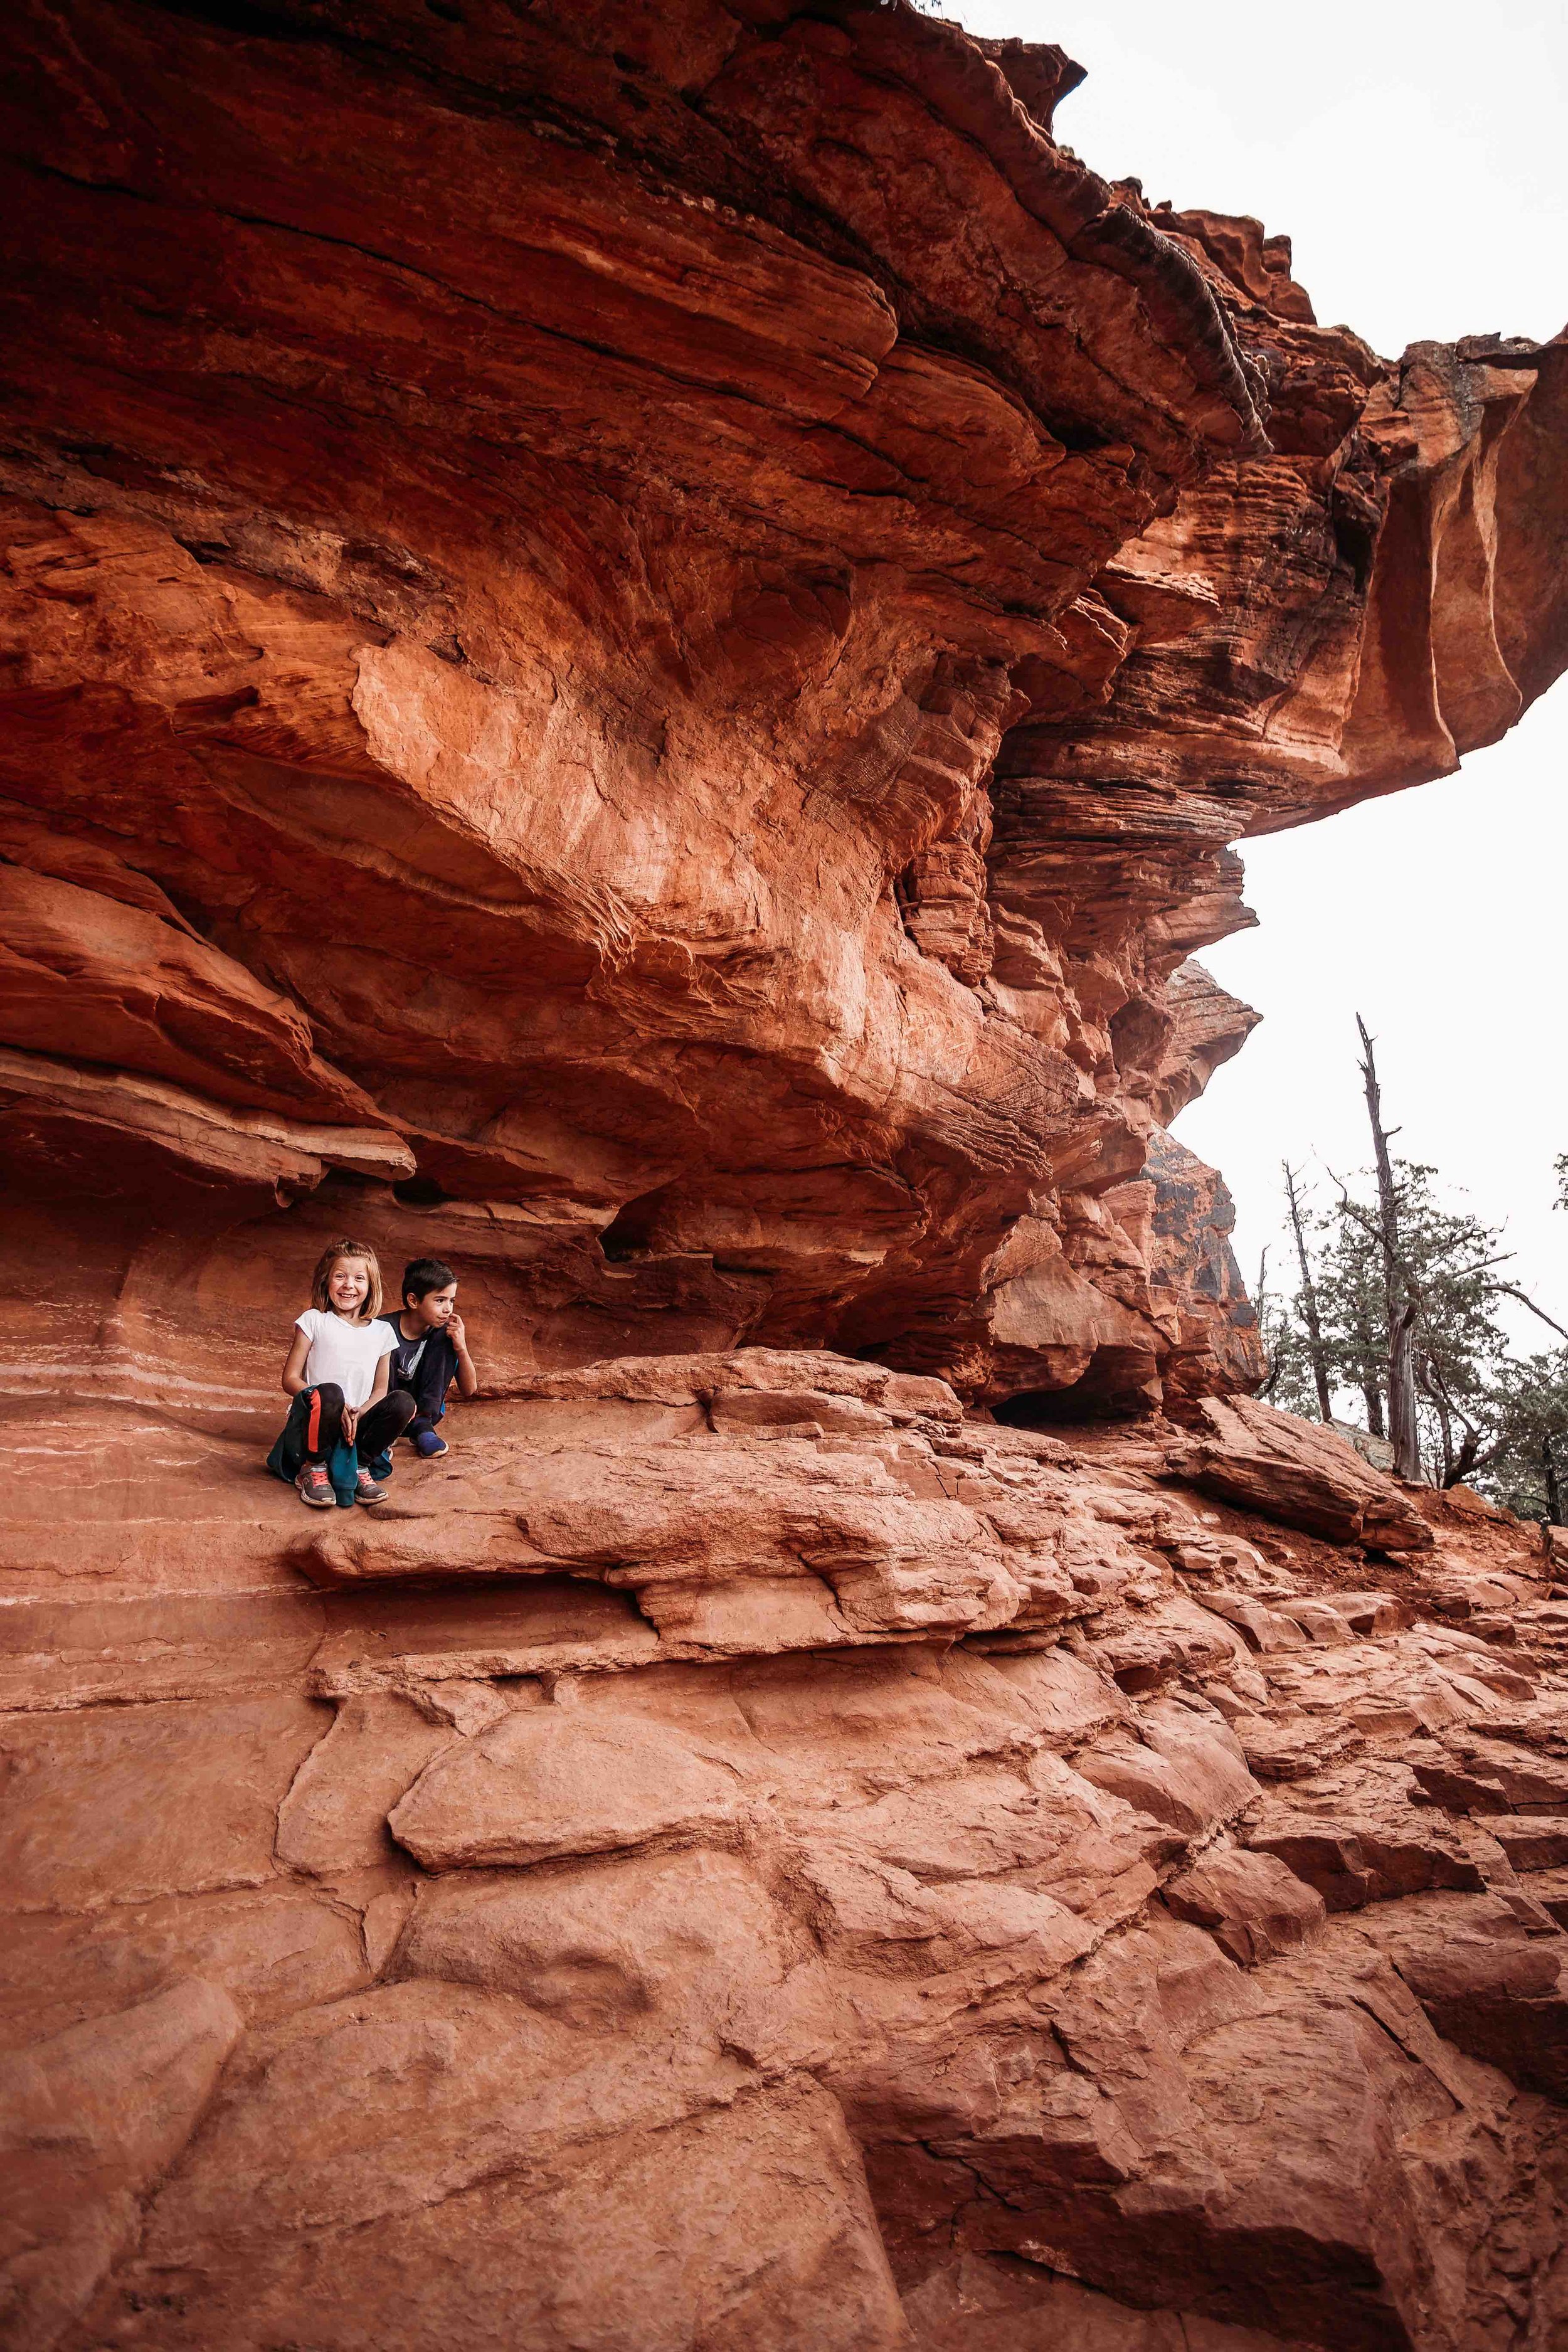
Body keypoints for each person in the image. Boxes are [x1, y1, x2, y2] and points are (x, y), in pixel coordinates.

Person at [267, 1238, 416, 1508]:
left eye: (359, 1278)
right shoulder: (314, 1320)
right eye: (340, 1276)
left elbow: (380, 1390)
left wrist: (357, 1412)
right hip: (317, 1421)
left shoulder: (382, 1331)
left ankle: (361, 1465)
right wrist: (338, 1407)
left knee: (404, 1401)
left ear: (371, 1286)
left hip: (355, 1424)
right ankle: (313, 1467)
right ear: (326, 1281)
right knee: (330, 1392)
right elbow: (290, 1379)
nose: (349, 1285)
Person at [374, 1256, 479, 1463]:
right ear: (414, 1301)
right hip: (383, 1412)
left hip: (424, 1417)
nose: (448, 1309)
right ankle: (384, 1432)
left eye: (452, 1301)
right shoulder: (382, 1328)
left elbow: (470, 1389)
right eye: (440, 1300)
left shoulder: (444, 1333)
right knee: (382, 1336)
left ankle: (422, 1426)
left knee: (445, 1337)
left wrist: (461, 1346)